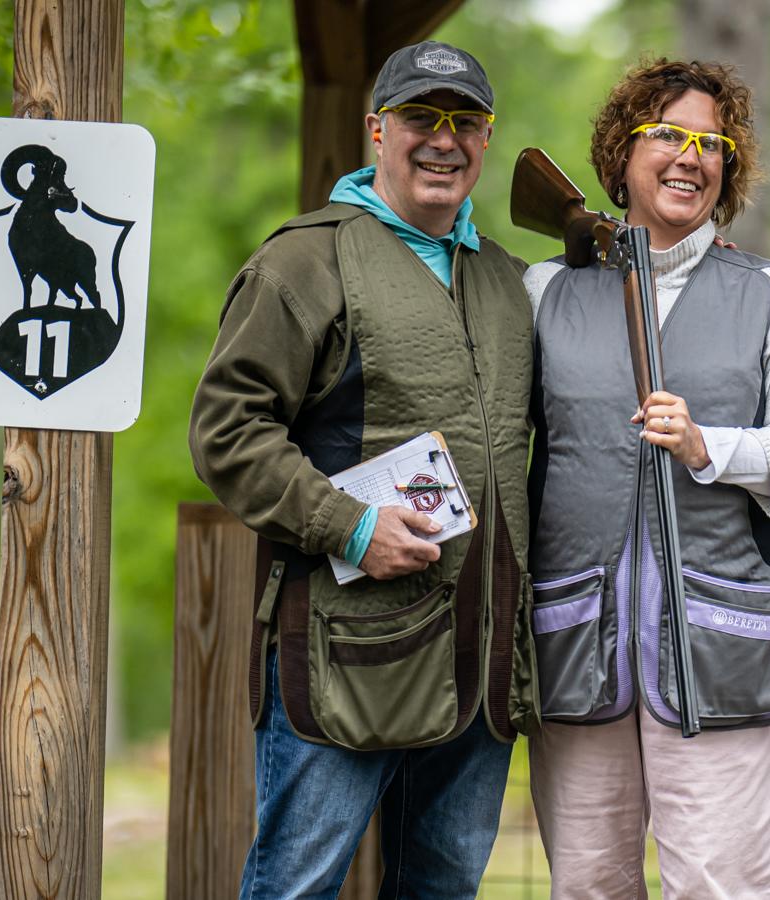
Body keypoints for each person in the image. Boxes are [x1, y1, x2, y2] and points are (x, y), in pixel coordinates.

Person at [189, 40, 535, 899]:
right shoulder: (301, 262)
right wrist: (351, 523)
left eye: (466, 122)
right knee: (298, 886)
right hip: (347, 654)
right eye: (422, 117)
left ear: (488, 140)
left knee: (443, 888)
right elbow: (226, 429)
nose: (443, 140)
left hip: (480, 662)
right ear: (377, 129)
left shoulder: (511, 280)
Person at [521, 58, 770, 899]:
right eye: (667, 134)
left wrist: (709, 449)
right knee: (588, 887)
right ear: (620, 155)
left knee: (720, 889)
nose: (689, 156)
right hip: (574, 647)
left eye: (710, 142)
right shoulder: (546, 289)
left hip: (721, 647)